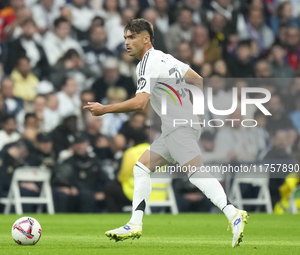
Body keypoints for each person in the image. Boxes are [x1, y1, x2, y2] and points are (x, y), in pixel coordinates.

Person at [84, 18, 248, 247]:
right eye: (125, 38)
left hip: (178, 127)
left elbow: (140, 103)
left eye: (131, 37)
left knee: (195, 173)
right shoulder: (165, 57)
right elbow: (197, 80)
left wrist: (105, 109)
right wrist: (197, 113)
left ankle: (232, 212)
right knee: (141, 168)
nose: (127, 43)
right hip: (177, 126)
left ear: (146, 38)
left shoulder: (147, 63)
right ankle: (135, 223)